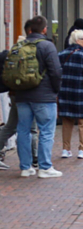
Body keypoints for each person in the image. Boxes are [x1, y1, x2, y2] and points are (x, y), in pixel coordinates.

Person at [7, 16, 63, 178]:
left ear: (29, 30)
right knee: (46, 130)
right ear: (44, 29)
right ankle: (45, 167)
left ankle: (25, 167)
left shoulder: (19, 45)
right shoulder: (47, 46)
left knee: (23, 130)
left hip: (22, 95)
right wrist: (56, 91)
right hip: (44, 96)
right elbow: (56, 71)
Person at [57, 30, 83, 159]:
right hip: (82, 93)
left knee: (67, 121)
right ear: (77, 40)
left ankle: (66, 149)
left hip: (65, 92)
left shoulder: (61, 54)